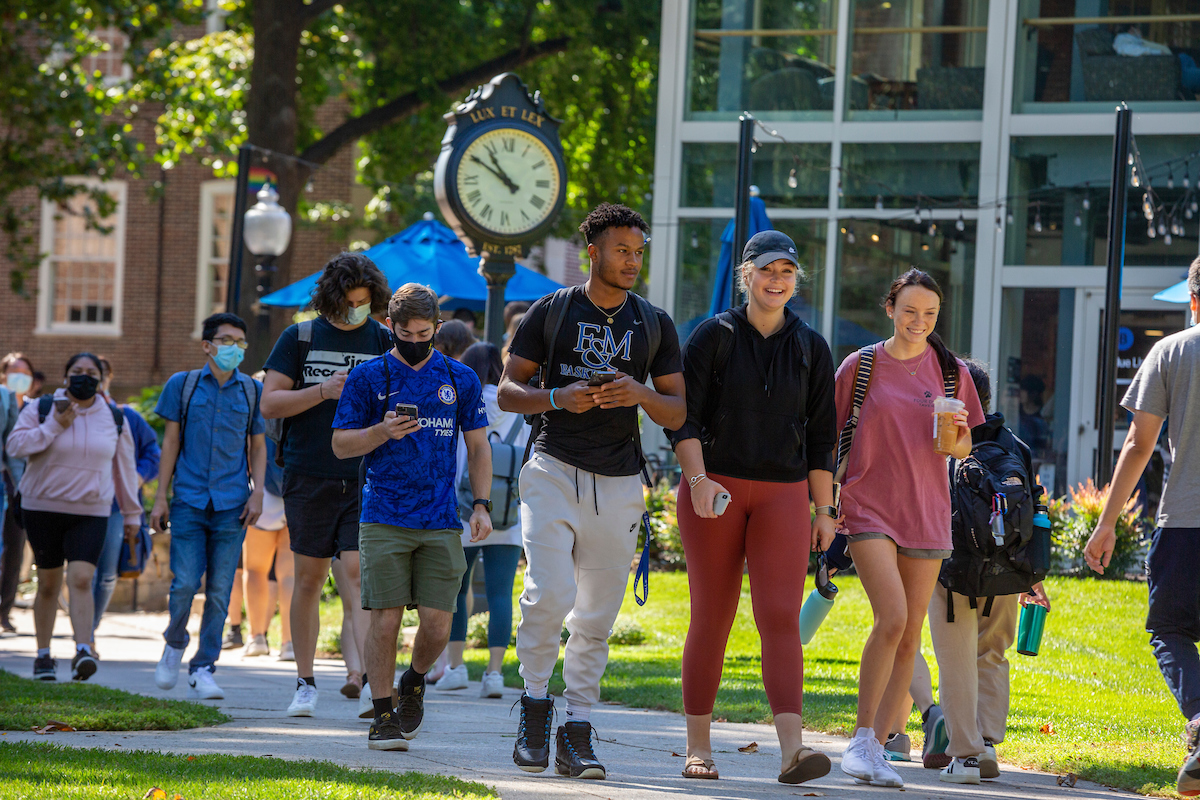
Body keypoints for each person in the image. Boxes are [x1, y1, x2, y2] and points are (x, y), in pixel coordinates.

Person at [498, 203, 686, 780]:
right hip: (553, 467)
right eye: (621, 250)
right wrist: (558, 397)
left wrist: (638, 394)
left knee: (596, 617)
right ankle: (534, 706)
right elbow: (508, 391)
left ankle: (575, 731)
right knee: (548, 594)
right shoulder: (550, 312)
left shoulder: (653, 323)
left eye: (638, 250)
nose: (632, 261)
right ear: (594, 252)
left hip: (622, 480)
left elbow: (679, 409)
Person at [669, 230, 837, 784]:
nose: (777, 280)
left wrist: (825, 511)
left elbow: (821, 440)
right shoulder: (712, 337)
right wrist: (696, 481)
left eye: (787, 272)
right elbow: (683, 420)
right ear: (747, 275)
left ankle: (793, 752)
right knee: (712, 619)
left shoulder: (811, 347)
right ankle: (699, 749)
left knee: (781, 620)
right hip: (712, 489)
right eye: (767, 270)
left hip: (783, 496)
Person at [834, 269, 984, 789]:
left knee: (909, 634)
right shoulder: (861, 365)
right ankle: (858, 739)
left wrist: (956, 440)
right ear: (890, 308)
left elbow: (967, 446)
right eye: (910, 311)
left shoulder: (951, 372)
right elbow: (828, 438)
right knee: (892, 617)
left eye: (930, 314)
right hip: (869, 506)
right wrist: (823, 507)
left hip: (926, 511)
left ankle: (876, 745)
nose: (919, 322)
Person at [331, 282, 493, 751]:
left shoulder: (458, 378)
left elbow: (478, 445)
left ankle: (415, 680)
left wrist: (480, 503)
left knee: (439, 622)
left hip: (441, 516)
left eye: (426, 333)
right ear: (390, 327)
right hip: (383, 512)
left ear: (437, 328)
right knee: (384, 619)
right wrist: (380, 432)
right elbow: (341, 445)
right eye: (407, 333)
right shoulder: (368, 378)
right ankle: (383, 715)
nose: (417, 341)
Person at [1086, 256, 1200, 798]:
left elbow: (1139, 444)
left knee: (1169, 629)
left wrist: (1108, 522)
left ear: (1193, 301)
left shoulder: (1172, 351)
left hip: (1184, 522)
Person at [260, 252, 392, 716]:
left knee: (356, 574)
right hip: (308, 473)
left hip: (365, 476)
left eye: (365, 300)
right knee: (310, 577)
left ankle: (378, 691)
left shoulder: (384, 340)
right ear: (332, 299)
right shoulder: (300, 337)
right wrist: (322, 390)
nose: (358, 309)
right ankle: (305, 681)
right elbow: (270, 404)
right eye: (350, 301)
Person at [929, 358, 1050, 785]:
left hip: (952, 567)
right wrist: (1032, 578)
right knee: (992, 652)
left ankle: (965, 756)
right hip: (1005, 570)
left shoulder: (942, 441)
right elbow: (1035, 513)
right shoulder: (1015, 446)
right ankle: (988, 743)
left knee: (955, 658)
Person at [151, 312, 267, 700]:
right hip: (188, 499)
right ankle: (174, 641)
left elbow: (259, 446)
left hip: (233, 504)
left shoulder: (251, 390)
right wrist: (158, 498)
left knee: (219, 590)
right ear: (207, 345)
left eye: (240, 342)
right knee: (184, 583)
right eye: (227, 340)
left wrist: (258, 492)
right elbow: (169, 444)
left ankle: (203, 667)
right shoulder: (182, 386)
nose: (234, 348)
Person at [6, 353, 141, 681]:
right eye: (77, 372)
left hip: (91, 510)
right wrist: (55, 425)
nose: (84, 377)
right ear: (65, 377)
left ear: (100, 378)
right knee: (49, 584)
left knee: (81, 579)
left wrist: (132, 515)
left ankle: (83, 650)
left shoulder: (114, 416)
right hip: (42, 508)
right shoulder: (39, 408)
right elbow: (15, 446)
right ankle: (43, 656)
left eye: (90, 372)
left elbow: (124, 469)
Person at [439, 342, 528, 698]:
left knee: (457, 591)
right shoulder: (519, 410)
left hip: (465, 511)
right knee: (501, 593)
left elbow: (457, 459)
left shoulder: (466, 405)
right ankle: (494, 674)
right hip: (509, 517)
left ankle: (456, 667)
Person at [91, 357, 161, 633]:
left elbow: (153, 453)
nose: (93, 380)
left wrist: (137, 477)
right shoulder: (67, 415)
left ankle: (88, 634)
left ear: (108, 378)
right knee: (81, 573)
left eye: (98, 374)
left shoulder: (127, 417)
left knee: (107, 573)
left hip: (116, 507)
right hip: (76, 505)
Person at [241, 434, 293, 660]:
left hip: (264, 487)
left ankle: (257, 637)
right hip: (297, 486)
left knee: (255, 567)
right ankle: (289, 642)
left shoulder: (263, 398)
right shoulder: (307, 396)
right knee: (290, 573)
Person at [0, 353, 35, 635]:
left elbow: (13, 449)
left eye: (24, 372)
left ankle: (5, 610)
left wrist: (22, 487)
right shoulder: (3, 397)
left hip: (17, 485)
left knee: (14, 548)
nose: (19, 377)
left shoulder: (35, 409)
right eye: (14, 371)